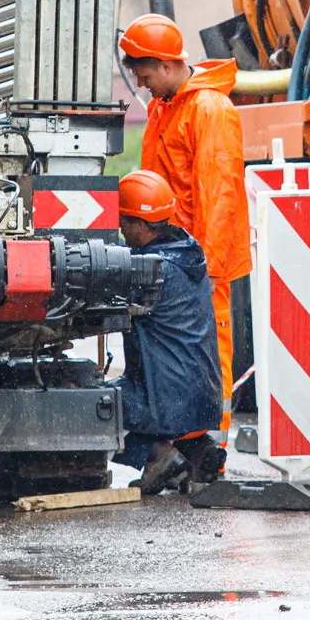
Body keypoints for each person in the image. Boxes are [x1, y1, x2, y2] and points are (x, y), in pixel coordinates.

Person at [121, 14, 249, 431]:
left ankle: (209, 452)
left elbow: (219, 195)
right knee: (179, 357)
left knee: (207, 357)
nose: (142, 87)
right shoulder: (166, 107)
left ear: (165, 64)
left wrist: (207, 268)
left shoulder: (209, 109)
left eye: (144, 76)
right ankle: (185, 446)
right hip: (176, 259)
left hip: (196, 263)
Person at [112, 169, 227, 493]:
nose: (120, 228)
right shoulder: (187, 252)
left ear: (141, 224)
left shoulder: (151, 270)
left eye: (124, 221)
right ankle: (197, 454)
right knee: (149, 391)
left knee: (97, 402)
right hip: (203, 399)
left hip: (169, 401)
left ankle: (158, 455)